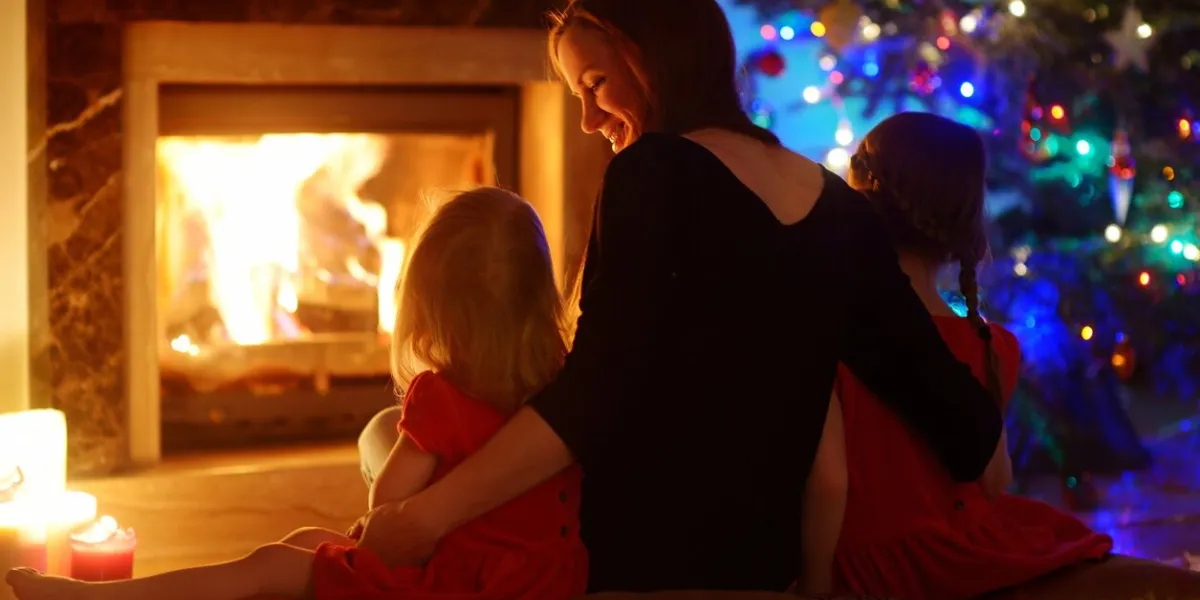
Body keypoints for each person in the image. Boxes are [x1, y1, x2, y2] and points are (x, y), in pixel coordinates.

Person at [352, 0, 1010, 592]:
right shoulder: (838, 207)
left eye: (595, 85)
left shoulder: (655, 171)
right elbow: (955, 412)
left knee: (392, 436)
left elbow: (590, 398)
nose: (586, 120)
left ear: (650, 58)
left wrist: (422, 519)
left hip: (627, 555)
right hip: (761, 566)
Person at [6, 187, 587, 600]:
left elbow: (384, 507)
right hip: (543, 580)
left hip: (453, 584)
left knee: (266, 566)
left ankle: (100, 599)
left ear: (430, 309)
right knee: (305, 542)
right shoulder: (559, 385)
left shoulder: (442, 396)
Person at [797, 112, 1114, 599]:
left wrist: (815, 585)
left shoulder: (830, 333)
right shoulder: (994, 345)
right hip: (969, 551)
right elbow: (994, 480)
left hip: (871, 566)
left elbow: (829, 482)